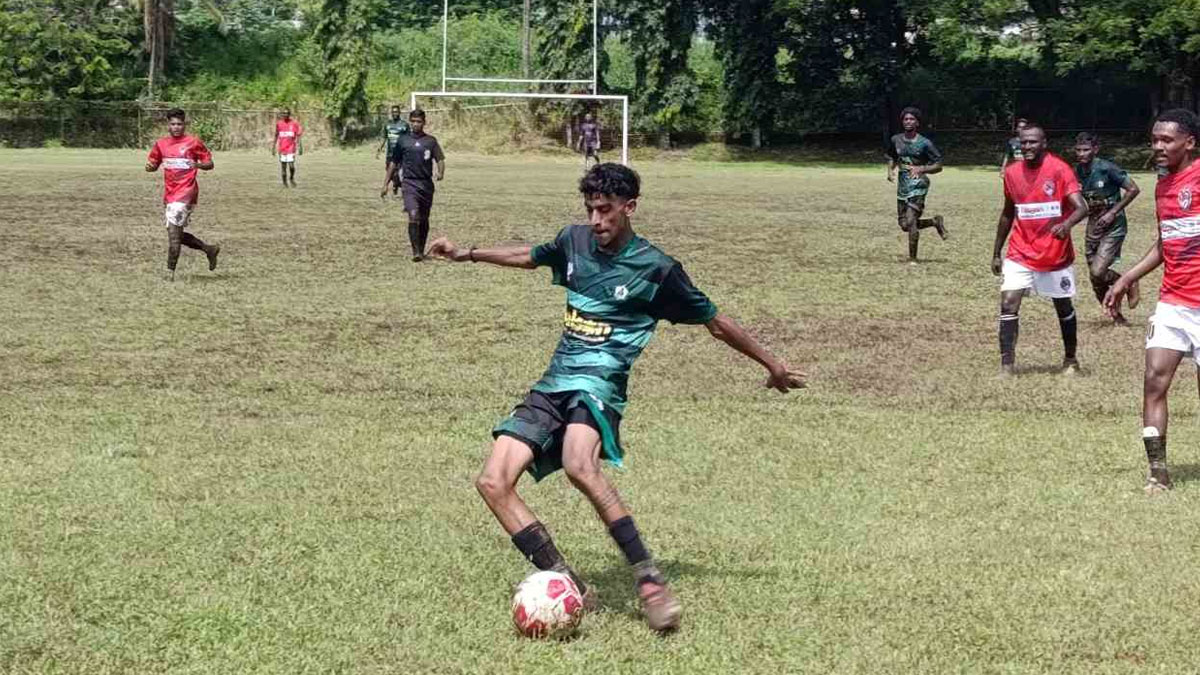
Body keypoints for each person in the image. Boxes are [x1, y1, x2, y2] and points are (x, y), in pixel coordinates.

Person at [426, 163, 805, 632]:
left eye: (605, 210)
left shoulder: (657, 268)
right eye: (590, 209)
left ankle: (650, 581)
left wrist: (772, 364)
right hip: (554, 383)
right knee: (492, 481)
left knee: (579, 464)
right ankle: (569, 584)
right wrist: (466, 254)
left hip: (600, 385)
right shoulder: (573, 241)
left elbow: (716, 322)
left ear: (630, 207)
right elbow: (529, 255)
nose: (595, 220)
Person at [1105, 109, 1200, 493]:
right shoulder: (1163, 186)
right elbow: (1166, 242)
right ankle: (1158, 474)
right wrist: (1128, 276)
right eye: (1155, 139)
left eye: (1166, 140)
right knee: (1153, 381)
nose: (1158, 146)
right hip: (1173, 302)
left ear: (1189, 142)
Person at [991, 122, 1088, 375]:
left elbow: (1082, 207)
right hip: (1020, 250)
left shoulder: (1059, 169)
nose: (1027, 146)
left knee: (1063, 306)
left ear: (1044, 143)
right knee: (1008, 302)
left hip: (1054, 253)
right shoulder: (1012, 173)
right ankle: (1007, 366)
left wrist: (1066, 225)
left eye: (1032, 142)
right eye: (1023, 142)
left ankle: (1070, 360)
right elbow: (1007, 213)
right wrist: (996, 252)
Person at [1073, 132, 1141, 324]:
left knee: (1097, 272)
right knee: (1095, 278)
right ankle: (1115, 314)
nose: (1081, 154)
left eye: (1086, 150)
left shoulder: (1106, 168)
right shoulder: (1076, 171)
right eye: (1078, 150)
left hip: (1113, 224)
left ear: (1095, 150)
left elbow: (1133, 189)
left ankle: (1129, 281)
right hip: (1094, 223)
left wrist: (1113, 212)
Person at [146, 108, 220, 280]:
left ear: (184, 124)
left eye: (179, 124)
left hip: (187, 193)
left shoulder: (193, 142)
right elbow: (153, 164)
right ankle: (209, 249)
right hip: (170, 195)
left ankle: (169, 273)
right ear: (168, 125)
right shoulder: (161, 144)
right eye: (173, 124)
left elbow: (210, 164)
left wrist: (198, 165)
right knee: (176, 234)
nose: (176, 127)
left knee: (173, 235)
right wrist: (149, 167)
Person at [886, 106, 947, 263]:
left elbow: (939, 164)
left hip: (919, 184)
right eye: (906, 119)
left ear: (917, 123)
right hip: (903, 184)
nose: (908, 121)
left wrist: (922, 169)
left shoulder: (925, 143)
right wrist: (890, 170)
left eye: (912, 119)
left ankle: (913, 259)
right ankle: (934, 222)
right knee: (904, 224)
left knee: (911, 219)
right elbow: (892, 156)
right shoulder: (896, 140)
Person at [381, 109, 444, 261]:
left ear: (424, 122)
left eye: (419, 121)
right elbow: (394, 162)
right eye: (413, 121)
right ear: (410, 122)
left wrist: (441, 172)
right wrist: (385, 183)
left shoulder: (430, 141)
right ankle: (415, 252)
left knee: (424, 218)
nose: (416, 124)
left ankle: (421, 249)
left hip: (426, 184)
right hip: (409, 183)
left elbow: (440, 159)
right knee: (413, 214)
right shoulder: (403, 140)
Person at [376, 105, 410, 196]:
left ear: (399, 113)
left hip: (401, 154)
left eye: (396, 112)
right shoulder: (387, 125)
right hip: (390, 153)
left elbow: (408, 139)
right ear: (391, 113)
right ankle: (395, 184)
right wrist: (379, 149)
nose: (395, 113)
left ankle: (396, 186)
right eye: (393, 112)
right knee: (389, 171)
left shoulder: (404, 125)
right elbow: (384, 138)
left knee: (398, 172)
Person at [272, 107, 303, 187]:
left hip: (291, 148)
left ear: (289, 114)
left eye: (287, 113)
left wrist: (300, 147)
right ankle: (285, 182)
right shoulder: (279, 124)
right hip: (282, 149)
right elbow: (276, 135)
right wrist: (273, 147)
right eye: (284, 113)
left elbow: (298, 136)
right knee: (284, 167)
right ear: (282, 114)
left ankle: (291, 178)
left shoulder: (294, 124)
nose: (285, 115)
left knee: (291, 166)